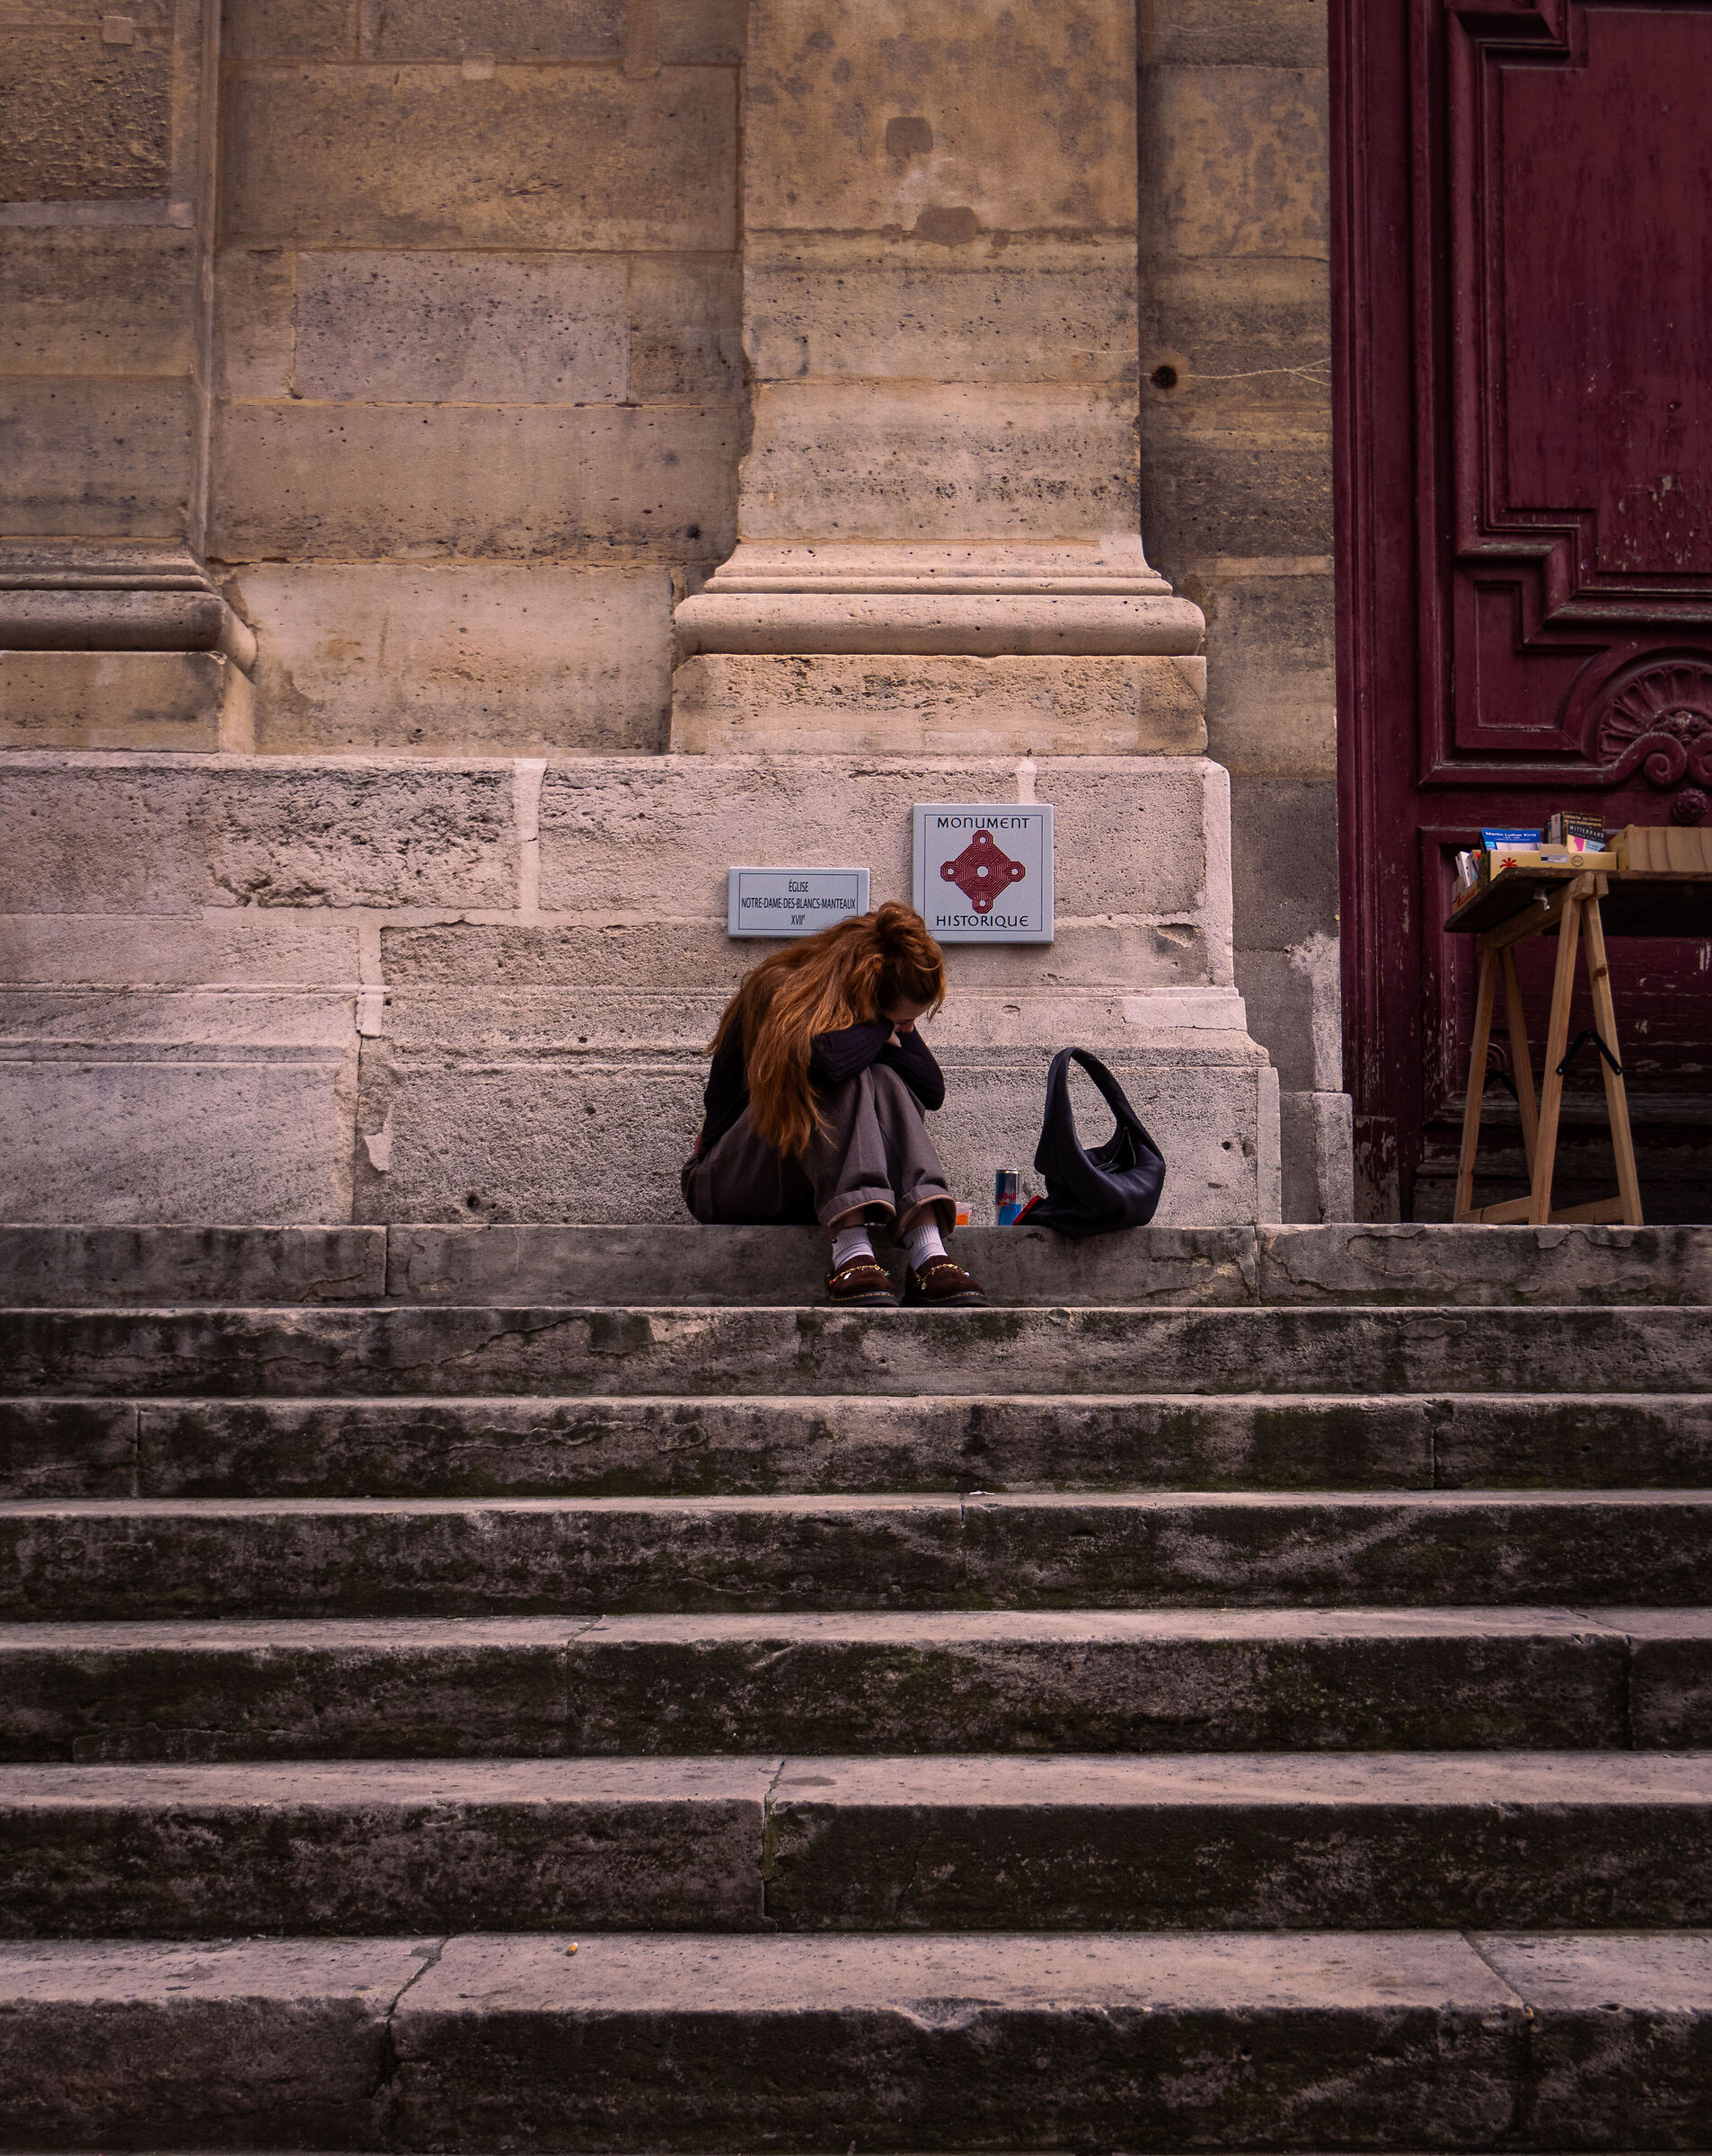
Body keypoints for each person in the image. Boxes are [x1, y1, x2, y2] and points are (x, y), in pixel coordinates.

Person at [682, 902, 987, 1307]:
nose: (908, 1030)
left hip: (806, 1184)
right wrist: (881, 1030)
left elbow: (932, 1089)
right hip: (726, 1181)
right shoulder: (781, 988)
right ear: (867, 991)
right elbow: (827, 1062)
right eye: (901, 1021)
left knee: (885, 1077)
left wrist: (882, 1031)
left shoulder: (883, 1007)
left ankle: (928, 1251)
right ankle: (851, 1250)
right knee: (843, 1073)